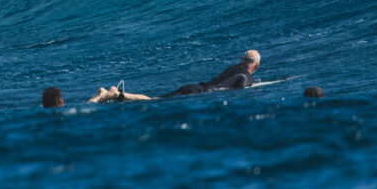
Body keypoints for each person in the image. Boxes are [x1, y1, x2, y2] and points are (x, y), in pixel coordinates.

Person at [88, 50, 261, 103]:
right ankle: (117, 94)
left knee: (155, 98)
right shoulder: (245, 77)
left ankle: (116, 93)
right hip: (198, 93)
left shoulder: (232, 67)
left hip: (194, 87)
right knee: (153, 100)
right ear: (256, 66)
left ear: (241, 59)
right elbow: (237, 92)